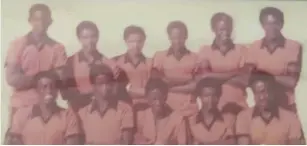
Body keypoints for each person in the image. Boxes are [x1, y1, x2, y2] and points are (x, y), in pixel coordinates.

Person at [4, 3, 67, 139]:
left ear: (50, 21)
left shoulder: (58, 48)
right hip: (21, 105)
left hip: (47, 108)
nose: (41, 23)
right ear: (30, 21)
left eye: (44, 19)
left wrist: (27, 78)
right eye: (37, 19)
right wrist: (43, 78)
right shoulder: (17, 45)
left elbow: (60, 78)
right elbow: (11, 78)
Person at [246, 7, 302, 112]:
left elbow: (291, 81)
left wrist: (263, 76)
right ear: (262, 25)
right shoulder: (254, 47)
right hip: (262, 108)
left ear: (281, 25)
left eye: (275, 23)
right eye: (267, 24)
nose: (271, 28)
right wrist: (277, 77)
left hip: (286, 107)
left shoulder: (293, 47)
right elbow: (248, 79)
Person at [6, 71, 82, 145]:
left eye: (53, 87)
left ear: (57, 90)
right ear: (36, 90)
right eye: (44, 87)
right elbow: (12, 142)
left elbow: (73, 143)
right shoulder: (21, 114)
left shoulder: (68, 116)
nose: (49, 91)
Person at [61, 21, 119, 111]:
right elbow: (65, 93)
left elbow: (114, 92)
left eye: (93, 36)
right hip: (78, 111)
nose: (90, 41)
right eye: (85, 37)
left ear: (98, 37)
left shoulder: (109, 63)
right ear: (79, 38)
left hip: (102, 113)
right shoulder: (70, 62)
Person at [197, 12, 250, 110]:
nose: (226, 32)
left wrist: (213, 75)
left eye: (228, 29)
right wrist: (236, 73)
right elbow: (204, 78)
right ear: (213, 29)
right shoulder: (205, 51)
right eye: (221, 29)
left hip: (239, 106)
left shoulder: (242, 50)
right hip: (214, 109)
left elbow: (245, 80)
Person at [236, 71, 304, 145]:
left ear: (273, 91)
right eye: (257, 92)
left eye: (265, 91)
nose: (262, 97)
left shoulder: (291, 118)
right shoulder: (243, 117)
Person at [152, 20, 199, 116]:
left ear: (186, 37)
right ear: (169, 37)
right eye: (174, 38)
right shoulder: (160, 56)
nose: (177, 41)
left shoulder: (195, 57)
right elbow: (157, 83)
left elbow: (196, 86)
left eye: (180, 38)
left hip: (189, 106)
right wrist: (187, 80)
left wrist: (169, 85)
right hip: (167, 106)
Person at [78, 64, 133, 144]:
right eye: (101, 83)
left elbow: (126, 142)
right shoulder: (83, 113)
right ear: (93, 86)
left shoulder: (125, 109)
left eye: (108, 83)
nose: (106, 87)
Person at [133, 78, 189, 144]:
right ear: (147, 99)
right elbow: (136, 138)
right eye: (154, 99)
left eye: (160, 98)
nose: (158, 103)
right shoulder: (142, 116)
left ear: (166, 97)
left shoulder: (179, 120)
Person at [112, 25, 152, 105]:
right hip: (123, 108)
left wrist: (129, 90)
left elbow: (153, 91)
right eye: (132, 41)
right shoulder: (115, 62)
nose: (136, 45)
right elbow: (112, 91)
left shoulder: (151, 63)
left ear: (144, 41)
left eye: (139, 41)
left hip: (146, 108)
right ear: (125, 41)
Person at [188, 78, 235, 144]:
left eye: (214, 95)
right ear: (200, 97)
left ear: (219, 97)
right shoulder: (189, 121)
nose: (210, 100)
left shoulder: (228, 119)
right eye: (206, 96)